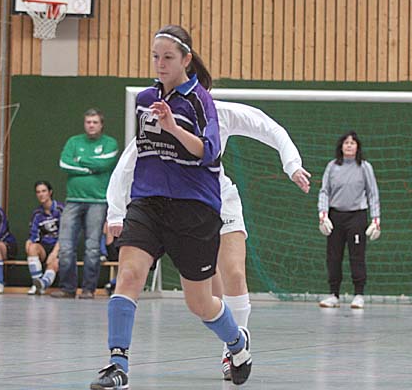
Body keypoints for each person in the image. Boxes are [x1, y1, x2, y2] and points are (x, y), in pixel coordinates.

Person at [90, 25, 252, 389]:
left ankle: (237, 343)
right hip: (147, 202)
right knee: (129, 275)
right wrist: (118, 209)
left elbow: (208, 152)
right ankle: (118, 365)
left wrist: (173, 126)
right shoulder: (144, 99)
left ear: (186, 60)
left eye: (167, 57)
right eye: (155, 57)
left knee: (200, 302)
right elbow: (139, 154)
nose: (160, 64)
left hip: (194, 208)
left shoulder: (201, 101)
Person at [108, 100, 311, 380]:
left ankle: (235, 350)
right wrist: (115, 211)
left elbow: (269, 127)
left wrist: (292, 164)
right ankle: (231, 340)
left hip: (220, 200)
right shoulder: (160, 115)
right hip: (178, 207)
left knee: (234, 273)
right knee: (200, 299)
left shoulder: (220, 112)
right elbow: (129, 160)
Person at [51, 108, 119, 300]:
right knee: (65, 246)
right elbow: (65, 163)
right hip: (73, 200)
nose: (91, 125)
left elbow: (105, 163)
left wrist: (79, 161)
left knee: (92, 247)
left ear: (101, 125)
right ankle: (67, 288)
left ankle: (89, 289)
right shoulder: (73, 142)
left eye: (95, 122)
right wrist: (90, 169)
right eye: (88, 122)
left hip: (98, 202)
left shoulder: (110, 143)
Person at [318, 131, 380, 309]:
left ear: (357, 146)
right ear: (341, 146)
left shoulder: (365, 167)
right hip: (335, 217)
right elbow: (324, 191)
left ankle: (359, 295)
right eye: (346, 142)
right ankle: (333, 294)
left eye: (352, 142)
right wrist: (323, 215)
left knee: (357, 256)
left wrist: (376, 219)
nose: (349, 145)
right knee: (333, 256)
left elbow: (373, 193)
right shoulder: (332, 166)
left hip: (357, 217)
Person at [26, 180, 64, 295]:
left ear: (50, 192)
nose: (41, 194)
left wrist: (54, 253)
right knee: (32, 247)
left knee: (55, 262)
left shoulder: (60, 209)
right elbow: (33, 235)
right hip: (44, 246)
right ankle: (36, 283)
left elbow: (65, 235)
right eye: (38, 192)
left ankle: (42, 284)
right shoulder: (37, 213)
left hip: (60, 247)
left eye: (44, 191)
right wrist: (29, 242)